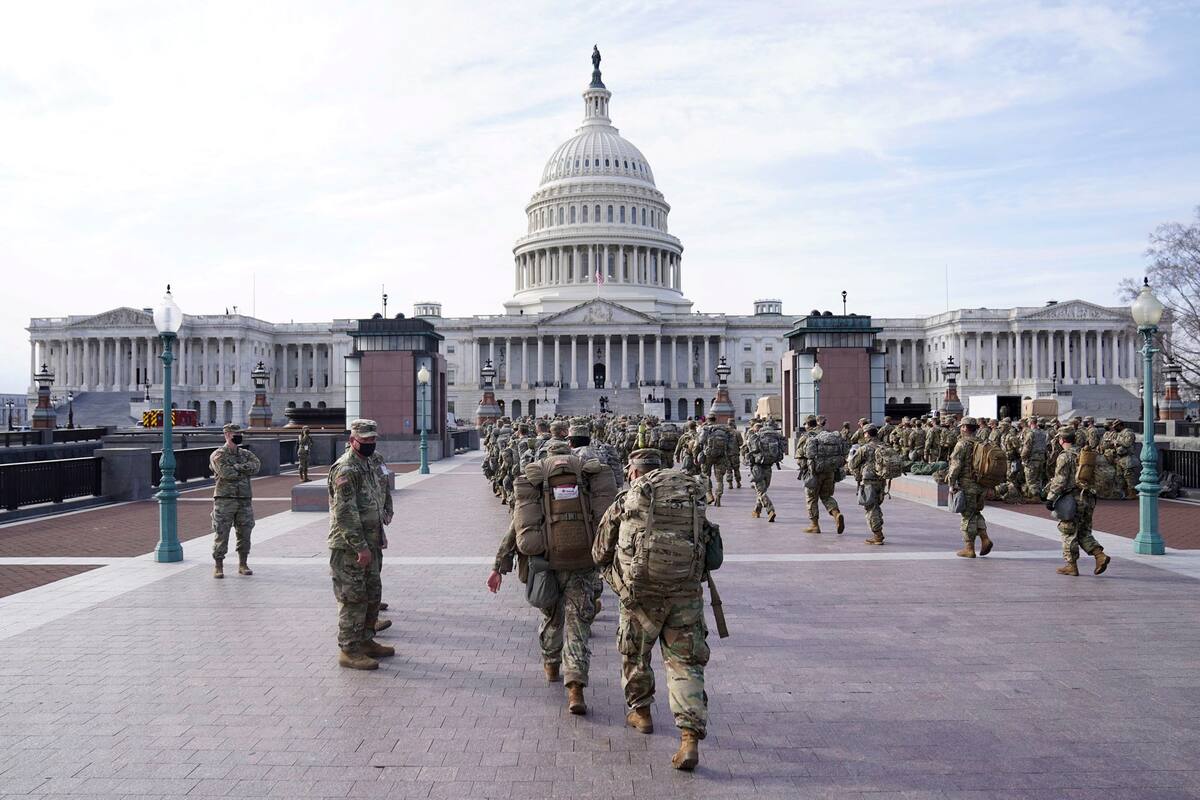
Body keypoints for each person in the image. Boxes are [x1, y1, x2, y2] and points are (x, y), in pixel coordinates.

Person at [593, 448, 723, 772]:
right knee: (685, 665)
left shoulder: (625, 502)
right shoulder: (689, 500)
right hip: (684, 596)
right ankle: (689, 738)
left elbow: (598, 552)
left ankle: (642, 713)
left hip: (639, 597)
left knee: (635, 657)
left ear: (633, 473)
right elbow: (714, 558)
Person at [328, 419, 395, 670]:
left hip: (372, 540)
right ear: (352, 440)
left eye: (372, 440)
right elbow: (345, 514)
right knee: (353, 598)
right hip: (350, 547)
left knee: (372, 593)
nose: (369, 444)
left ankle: (366, 641)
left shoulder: (369, 463)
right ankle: (349, 650)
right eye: (364, 440)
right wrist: (360, 547)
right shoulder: (346, 469)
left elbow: (382, 490)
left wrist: (386, 513)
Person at [1045, 428, 1112, 577]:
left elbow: (1060, 480)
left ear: (1061, 440)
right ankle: (1100, 555)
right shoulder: (1085, 454)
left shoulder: (1065, 456)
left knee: (1068, 532)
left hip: (1073, 500)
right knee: (1083, 531)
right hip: (1089, 498)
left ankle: (1071, 566)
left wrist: (1050, 497)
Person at [209, 423, 261, 579]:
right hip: (225, 500)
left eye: (240, 433)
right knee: (221, 533)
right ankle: (218, 566)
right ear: (227, 434)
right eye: (235, 433)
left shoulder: (245, 453)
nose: (239, 436)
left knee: (245, 532)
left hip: (244, 499)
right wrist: (243, 470)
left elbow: (257, 466)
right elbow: (226, 473)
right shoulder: (218, 455)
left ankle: (243, 564)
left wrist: (237, 467)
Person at [947, 417, 994, 558]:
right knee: (976, 513)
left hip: (967, 485)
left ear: (965, 428)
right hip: (981, 485)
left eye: (961, 427)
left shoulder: (962, 444)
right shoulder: (982, 443)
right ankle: (985, 539)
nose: (960, 429)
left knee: (967, 515)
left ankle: (969, 548)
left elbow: (955, 466)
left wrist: (951, 484)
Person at [802, 417, 847, 534]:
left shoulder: (808, 436)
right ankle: (836, 514)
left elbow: (801, 457)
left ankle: (814, 525)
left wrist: (805, 468)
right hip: (830, 471)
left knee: (811, 498)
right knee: (826, 496)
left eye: (805, 424)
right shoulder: (828, 434)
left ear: (808, 425)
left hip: (815, 473)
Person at [847, 424, 888, 545]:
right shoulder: (884, 446)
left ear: (867, 434)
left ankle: (877, 535)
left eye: (864, 433)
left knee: (871, 508)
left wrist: (857, 475)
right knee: (876, 506)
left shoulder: (865, 448)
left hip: (869, 481)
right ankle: (878, 531)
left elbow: (852, 464)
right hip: (882, 481)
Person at [746, 420, 784, 522]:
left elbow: (746, 453)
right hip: (768, 467)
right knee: (762, 491)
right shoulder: (772, 438)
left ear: (756, 430)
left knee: (761, 491)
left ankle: (770, 510)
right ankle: (757, 510)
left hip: (757, 468)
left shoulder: (754, 437)